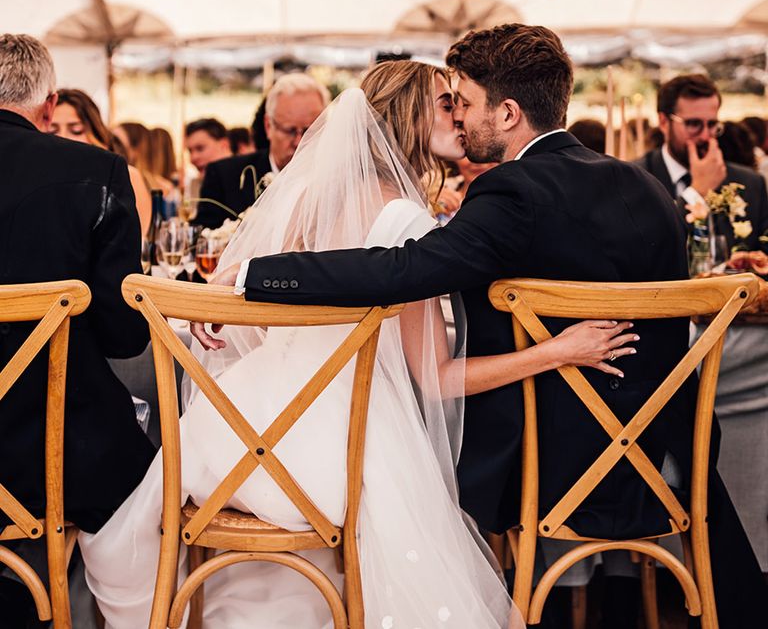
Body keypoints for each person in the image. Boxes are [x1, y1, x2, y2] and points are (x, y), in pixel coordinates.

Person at [210, 24, 767, 627]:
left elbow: (404, 270)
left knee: (415, 432)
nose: (460, 119)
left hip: (547, 464)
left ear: (506, 113)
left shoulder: (510, 192)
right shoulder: (647, 185)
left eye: (466, 104)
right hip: (660, 453)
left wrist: (256, 274)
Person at [80, 59, 636, 629]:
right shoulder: (406, 221)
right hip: (329, 455)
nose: (459, 117)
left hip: (227, 439)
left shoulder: (306, 201)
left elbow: (262, 322)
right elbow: (436, 378)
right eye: (446, 104)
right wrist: (556, 352)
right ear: (414, 118)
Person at [0, 34, 156, 623]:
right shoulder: (98, 172)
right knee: (146, 477)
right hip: (57, 446)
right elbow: (124, 335)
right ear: (49, 103)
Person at [636, 74, 768, 252]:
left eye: (712, 124)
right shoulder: (636, 179)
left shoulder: (750, 183)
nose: (705, 136)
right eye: (693, 124)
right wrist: (697, 192)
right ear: (664, 122)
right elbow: (647, 251)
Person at [194, 74, 330, 229]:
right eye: (290, 130)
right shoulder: (224, 176)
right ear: (268, 126)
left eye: (309, 131)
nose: (299, 141)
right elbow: (202, 240)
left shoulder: (336, 182)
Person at [50, 88, 153, 236]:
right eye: (52, 131)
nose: (63, 137)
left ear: (95, 132)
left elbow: (136, 242)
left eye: (76, 130)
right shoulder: (42, 181)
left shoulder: (127, 176)